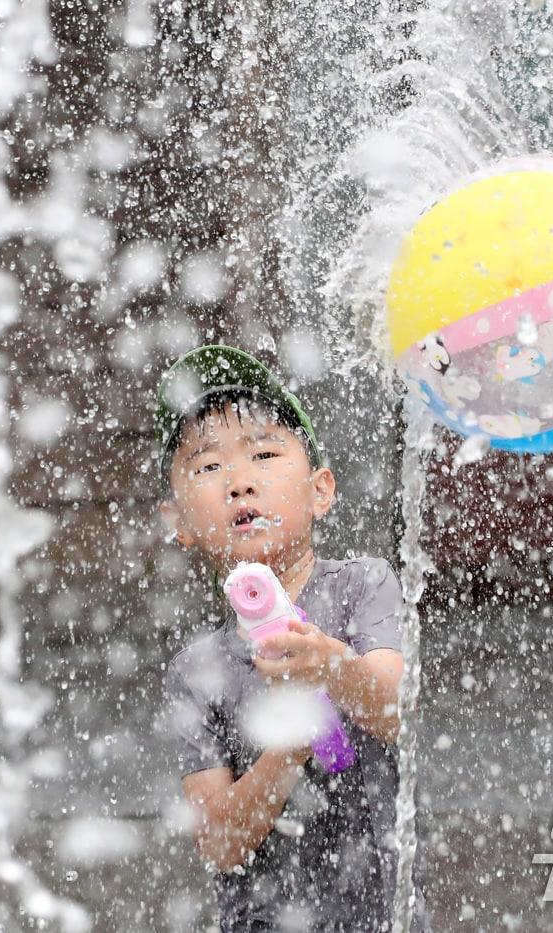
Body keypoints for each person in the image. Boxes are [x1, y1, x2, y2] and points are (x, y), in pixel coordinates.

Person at [158, 345, 430, 932]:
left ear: (320, 491)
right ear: (179, 523)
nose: (239, 483)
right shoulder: (195, 670)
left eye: (264, 454)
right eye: (207, 467)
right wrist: (289, 744)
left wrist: (333, 667)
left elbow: (397, 713)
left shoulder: (363, 585)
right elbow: (220, 843)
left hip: (383, 918)